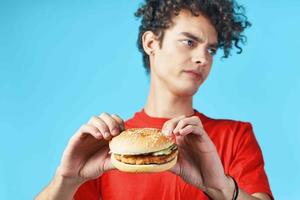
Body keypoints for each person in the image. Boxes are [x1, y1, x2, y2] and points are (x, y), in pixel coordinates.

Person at [36, 0, 273, 199]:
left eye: (211, 49)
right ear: (151, 43)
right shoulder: (107, 145)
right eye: (189, 42)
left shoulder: (235, 136)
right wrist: (66, 180)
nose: (203, 58)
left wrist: (220, 187)